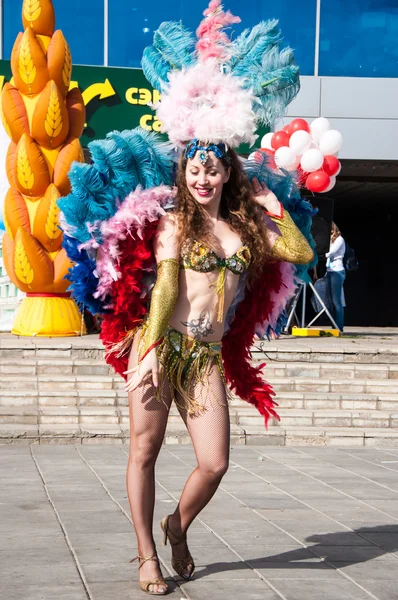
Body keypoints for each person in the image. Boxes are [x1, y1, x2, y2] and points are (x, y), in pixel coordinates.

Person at [60, 2, 314, 595]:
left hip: (205, 356)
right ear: (185, 172)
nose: (203, 178)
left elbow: (300, 252)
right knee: (143, 450)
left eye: (214, 169)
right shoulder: (175, 223)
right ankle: (147, 554)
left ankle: (178, 524)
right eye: (194, 169)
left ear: (228, 172)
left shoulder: (247, 228)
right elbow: (165, 291)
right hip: (162, 343)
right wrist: (143, 352)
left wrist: (270, 204)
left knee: (215, 462)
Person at [325, 222, 346, 332]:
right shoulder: (330, 240)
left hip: (337, 271)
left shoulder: (339, 240)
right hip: (329, 271)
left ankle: (339, 327)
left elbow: (330, 253)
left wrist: (317, 253)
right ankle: (334, 326)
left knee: (337, 300)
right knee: (331, 301)